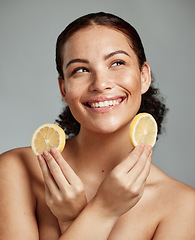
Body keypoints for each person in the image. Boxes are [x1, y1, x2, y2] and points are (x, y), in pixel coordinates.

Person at [0, 12, 195, 240]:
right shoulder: (14, 170)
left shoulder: (183, 205)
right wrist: (103, 211)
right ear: (64, 89)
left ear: (144, 76)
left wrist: (74, 220)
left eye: (117, 63)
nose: (100, 84)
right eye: (80, 70)